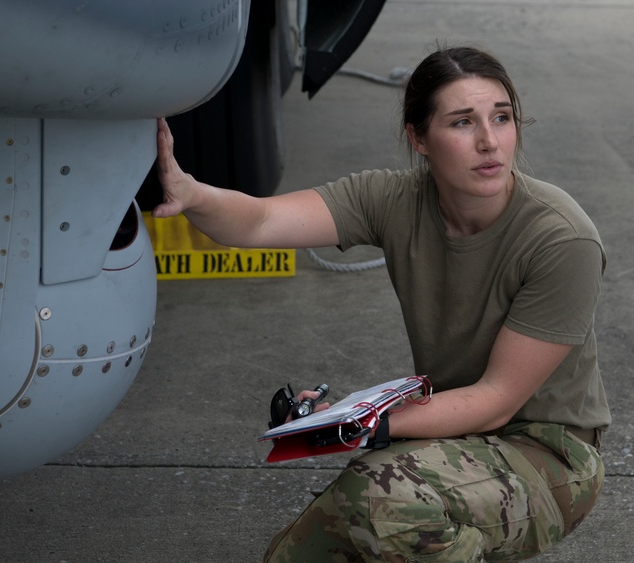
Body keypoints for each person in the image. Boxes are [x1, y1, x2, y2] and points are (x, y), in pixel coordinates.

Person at [154, 45, 609, 562]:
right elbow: (259, 221)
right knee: (298, 554)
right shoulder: (394, 199)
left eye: (501, 118)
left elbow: (497, 398)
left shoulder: (562, 239)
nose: (489, 142)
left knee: (381, 501)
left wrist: (361, 424)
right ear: (419, 138)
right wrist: (190, 193)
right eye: (462, 123)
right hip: (454, 431)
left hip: (549, 456)